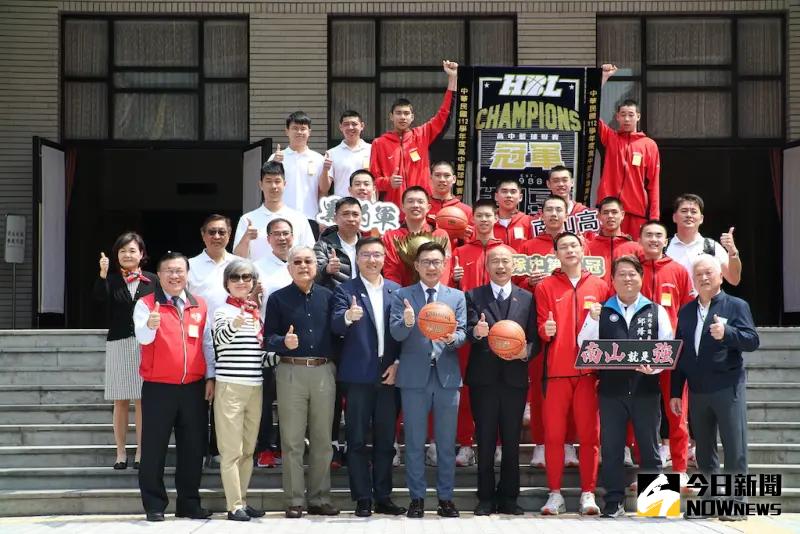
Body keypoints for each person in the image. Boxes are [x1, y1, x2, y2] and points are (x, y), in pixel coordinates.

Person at [577, 255, 673, 518]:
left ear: (641, 278)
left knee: (650, 448)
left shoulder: (656, 310)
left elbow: (667, 346)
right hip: (611, 391)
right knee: (611, 449)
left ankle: (657, 505)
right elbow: (583, 345)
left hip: (646, 388)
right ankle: (613, 502)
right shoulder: (602, 310)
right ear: (612, 279)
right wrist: (592, 320)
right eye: (621, 274)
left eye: (632, 274)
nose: (627, 279)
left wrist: (654, 368)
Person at [671, 254, 759, 521]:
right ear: (693, 280)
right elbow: (680, 353)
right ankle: (709, 501)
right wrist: (676, 391)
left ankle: (736, 503)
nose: (704, 278)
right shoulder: (686, 311)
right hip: (698, 390)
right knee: (704, 450)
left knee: (734, 447)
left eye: (709, 273)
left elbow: (752, 340)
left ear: (721, 276)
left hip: (727, 386)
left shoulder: (736, 305)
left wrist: (728, 333)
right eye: (698, 274)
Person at [132, 251, 216, 522]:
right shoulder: (146, 304)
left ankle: (189, 503)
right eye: (169, 270)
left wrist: (211, 377)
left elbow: (207, 344)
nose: (175, 275)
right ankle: (154, 505)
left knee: (193, 448)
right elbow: (143, 339)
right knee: (154, 448)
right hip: (158, 388)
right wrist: (150, 325)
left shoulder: (199, 304)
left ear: (187, 274)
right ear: (159, 275)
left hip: (193, 387)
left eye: (180, 270)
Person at [389, 241, 467, 518]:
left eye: (436, 262)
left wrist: (453, 338)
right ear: (417, 266)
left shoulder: (456, 297)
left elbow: (463, 333)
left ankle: (446, 498)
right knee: (414, 441)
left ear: (444, 265)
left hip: (447, 377)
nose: (431, 267)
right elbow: (396, 334)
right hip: (414, 378)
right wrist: (408, 322)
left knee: (446, 443)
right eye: (426, 262)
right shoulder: (403, 295)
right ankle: (417, 499)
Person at [330, 237, 407, 517]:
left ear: (384, 258)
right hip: (358, 376)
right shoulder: (345, 290)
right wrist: (348, 317)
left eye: (377, 255)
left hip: (389, 374)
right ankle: (362, 497)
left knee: (386, 441)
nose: (372, 260)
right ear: (357, 258)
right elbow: (335, 325)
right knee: (357, 440)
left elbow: (404, 334)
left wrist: (397, 363)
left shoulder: (397, 291)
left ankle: (383, 496)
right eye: (366, 255)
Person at [534, 232, 609, 516]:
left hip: (589, 373)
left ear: (583, 250)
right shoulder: (545, 286)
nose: (569, 250)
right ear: (556, 254)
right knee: (554, 436)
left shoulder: (600, 286)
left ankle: (588, 493)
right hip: (556, 372)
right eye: (563, 247)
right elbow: (540, 326)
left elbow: (608, 330)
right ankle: (555, 494)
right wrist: (545, 331)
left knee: (589, 436)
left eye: (573, 245)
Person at [263, 246, 339, 518]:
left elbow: (339, 333)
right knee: (292, 440)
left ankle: (320, 498)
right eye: (297, 262)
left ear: (316, 266)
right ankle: (294, 500)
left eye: (308, 261)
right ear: (289, 267)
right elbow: (267, 339)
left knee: (322, 440)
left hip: (323, 371)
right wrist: (283, 342)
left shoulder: (329, 297)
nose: (303, 265)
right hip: (290, 371)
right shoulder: (278, 298)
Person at [465, 245, 539, 515]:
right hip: (483, 380)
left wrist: (525, 352)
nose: (500, 266)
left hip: (514, 380)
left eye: (505, 261)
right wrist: (476, 332)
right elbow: (467, 331)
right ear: (486, 267)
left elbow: (535, 338)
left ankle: (509, 497)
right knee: (485, 440)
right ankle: (485, 498)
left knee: (511, 441)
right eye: (494, 261)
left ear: (514, 265)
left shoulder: (527, 298)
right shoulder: (473, 295)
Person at [514, 195, 579, 469]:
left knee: (575, 388)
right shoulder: (528, 246)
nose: (554, 214)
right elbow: (514, 281)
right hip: (537, 320)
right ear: (540, 215)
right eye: (549, 209)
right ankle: (540, 444)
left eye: (558, 209)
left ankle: (569, 444)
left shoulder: (576, 245)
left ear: (567, 214)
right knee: (541, 386)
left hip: (570, 324)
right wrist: (529, 281)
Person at [212, 259, 275, 522]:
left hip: (255, 387)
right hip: (230, 386)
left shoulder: (255, 314)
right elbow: (219, 342)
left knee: (249, 450)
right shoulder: (222, 312)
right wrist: (236, 322)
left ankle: (243, 501)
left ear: (253, 283)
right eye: (235, 277)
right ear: (226, 283)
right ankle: (233, 505)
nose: (241, 282)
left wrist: (281, 354)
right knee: (231, 451)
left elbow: (257, 356)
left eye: (246, 277)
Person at [93, 232, 156, 470]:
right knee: (120, 400)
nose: (127, 255)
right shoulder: (110, 280)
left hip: (145, 344)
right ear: (116, 255)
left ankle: (141, 451)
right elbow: (98, 301)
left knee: (142, 400)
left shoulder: (152, 280)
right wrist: (102, 274)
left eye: (132, 250)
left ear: (142, 254)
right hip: (118, 343)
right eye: (122, 251)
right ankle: (120, 452)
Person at [637, 220, 694, 479]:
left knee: (676, 412)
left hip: (671, 351)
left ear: (666, 240)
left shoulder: (678, 270)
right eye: (648, 235)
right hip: (638, 352)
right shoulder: (632, 269)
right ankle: (645, 472)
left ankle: (680, 469)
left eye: (658, 235)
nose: (653, 239)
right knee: (641, 414)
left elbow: (689, 311)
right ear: (640, 239)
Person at [450, 198, 504, 466]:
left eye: (488, 215)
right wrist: (454, 278)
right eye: (479, 216)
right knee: (465, 388)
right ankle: (466, 443)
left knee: (498, 388)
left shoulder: (506, 251)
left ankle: (497, 444)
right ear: (472, 220)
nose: (484, 220)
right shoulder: (460, 252)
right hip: (467, 327)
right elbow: (448, 290)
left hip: (500, 327)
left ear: (496, 218)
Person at [314, 196, 363, 468]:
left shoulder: (368, 244)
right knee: (331, 390)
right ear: (336, 217)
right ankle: (331, 445)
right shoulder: (324, 244)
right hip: (334, 324)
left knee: (358, 389)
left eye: (355, 214)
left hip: (364, 325)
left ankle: (356, 445)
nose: (351, 219)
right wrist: (325, 269)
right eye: (345, 214)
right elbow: (311, 275)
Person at [371, 60, 459, 208]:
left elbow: (444, 114)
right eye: (398, 113)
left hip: (421, 207)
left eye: (406, 113)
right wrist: (388, 182)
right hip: (392, 210)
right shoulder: (379, 143)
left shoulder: (422, 134)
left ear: (412, 117)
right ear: (391, 116)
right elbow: (372, 180)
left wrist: (452, 78)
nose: (402, 117)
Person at [597, 64, 661, 239]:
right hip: (609, 210)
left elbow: (654, 184)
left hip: (636, 212)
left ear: (638, 117)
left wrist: (654, 217)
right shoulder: (610, 138)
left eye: (631, 115)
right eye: (623, 115)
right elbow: (591, 111)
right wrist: (603, 78)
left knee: (634, 252)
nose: (626, 119)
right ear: (617, 117)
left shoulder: (649, 145)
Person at [252, 218, 295, 469]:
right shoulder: (257, 267)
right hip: (267, 339)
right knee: (266, 397)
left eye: (286, 233)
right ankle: (265, 447)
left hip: (297, 340)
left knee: (292, 398)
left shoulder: (300, 263)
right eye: (276, 234)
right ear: (268, 239)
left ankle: (286, 445)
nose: (282, 238)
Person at [232, 161, 315, 261]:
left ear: (284, 184)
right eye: (268, 181)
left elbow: (310, 255)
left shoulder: (299, 219)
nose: (273, 186)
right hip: (257, 271)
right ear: (261, 185)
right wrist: (246, 238)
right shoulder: (247, 219)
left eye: (277, 181)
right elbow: (237, 259)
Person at [666, 193, 742, 288]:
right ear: (674, 217)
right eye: (684, 211)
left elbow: (734, 279)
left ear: (701, 219)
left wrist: (732, 252)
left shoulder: (712, 246)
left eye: (693, 212)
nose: (689, 215)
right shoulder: (664, 247)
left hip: (704, 298)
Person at [382, 186, 452, 287]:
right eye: (410, 201)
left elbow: (444, 269)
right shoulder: (391, 236)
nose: (415, 205)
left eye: (420, 201)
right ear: (402, 207)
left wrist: (437, 294)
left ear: (428, 207)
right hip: (402, 293)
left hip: (435, 293)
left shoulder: (440, 235)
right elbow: (391, 272)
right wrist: (397, 294)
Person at [269, 111, 326, 231]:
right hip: (281, 217)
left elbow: (322, 191)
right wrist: (274, 164)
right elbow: (267, 188)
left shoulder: (318, 159)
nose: (299, 132)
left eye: (303, 129)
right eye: (295, 128)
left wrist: (322, 217)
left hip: (310, 217)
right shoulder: (276, 157)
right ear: (287, 131)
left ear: (309, 132)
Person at [188, 215, 241, 316]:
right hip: (199, 324)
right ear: (203, 234)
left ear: (229, 234)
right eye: (212, 232)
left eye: (221, 232)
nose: (217, 236)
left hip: (235, 323)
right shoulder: (189, 265)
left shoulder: (240, 265)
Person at [584, 197, 640, 285]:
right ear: (599, 216)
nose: (610, 216)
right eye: (605, 213)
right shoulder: (589, 248)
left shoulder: (636, 249)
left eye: (614, 212)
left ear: (622, 215)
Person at [322, 111, 372, 197]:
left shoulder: (372, 149)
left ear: (362, 126)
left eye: (354, 124)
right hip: (342, 202)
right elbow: (324, 188)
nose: (350, 127)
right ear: (340, 127)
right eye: (346, 124)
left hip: (367, 203)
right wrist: (325, 170)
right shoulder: (332, 153)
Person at [427, 161, 473, 231]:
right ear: (430, 178)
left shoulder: (467, 211)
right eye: (437, 175)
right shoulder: (422, 208)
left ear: (454, 179)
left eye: (447, 175)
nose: (442, 179)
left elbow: (474, 236)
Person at [492, 178, 533, 250]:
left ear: (520, 197)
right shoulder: (488, 221)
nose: (508, 195)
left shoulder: (529, 222)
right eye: (504, 191)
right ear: (496, 196)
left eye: (513, 192)